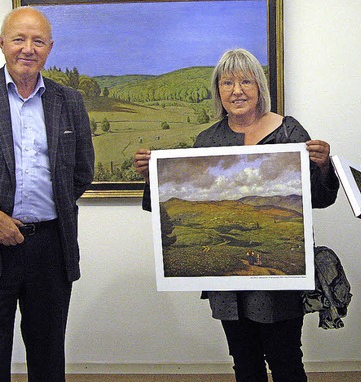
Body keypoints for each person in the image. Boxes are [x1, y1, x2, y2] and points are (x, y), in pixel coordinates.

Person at [134, 48, 339, 382]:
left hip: (281, 284)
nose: (237, 90)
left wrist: (323, 165)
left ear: (259, 87)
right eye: (227, 82)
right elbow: (166, 205)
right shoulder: (208, 139)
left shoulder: (289, 132)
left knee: (286, 359)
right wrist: (150, 177)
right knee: (243, 361)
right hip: (226, 286)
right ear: (218, 90)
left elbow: (319, 199)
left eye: (246, 81)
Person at [0, 7, 95, 381]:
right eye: (19, 39)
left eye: (38, 41)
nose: (27, 49)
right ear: (2, 44)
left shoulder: (69, 101)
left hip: (50, 246)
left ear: (49, 48)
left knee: (48, 353)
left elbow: (82, 171)